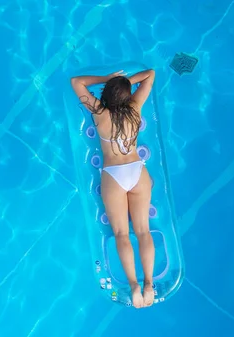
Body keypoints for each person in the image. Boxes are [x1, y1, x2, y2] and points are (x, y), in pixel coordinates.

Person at [70, 69, 156, 308]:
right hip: (137, 172)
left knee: (121, 234)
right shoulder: (135, 108)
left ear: (106, 96)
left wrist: (107, 79)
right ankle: (149, 283)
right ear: (128, 96)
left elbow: (76, 81)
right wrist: (125, 83)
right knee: (143, 232)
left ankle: (134, 286)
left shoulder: (100, 114)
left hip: (114, 175)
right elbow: (150, 74)